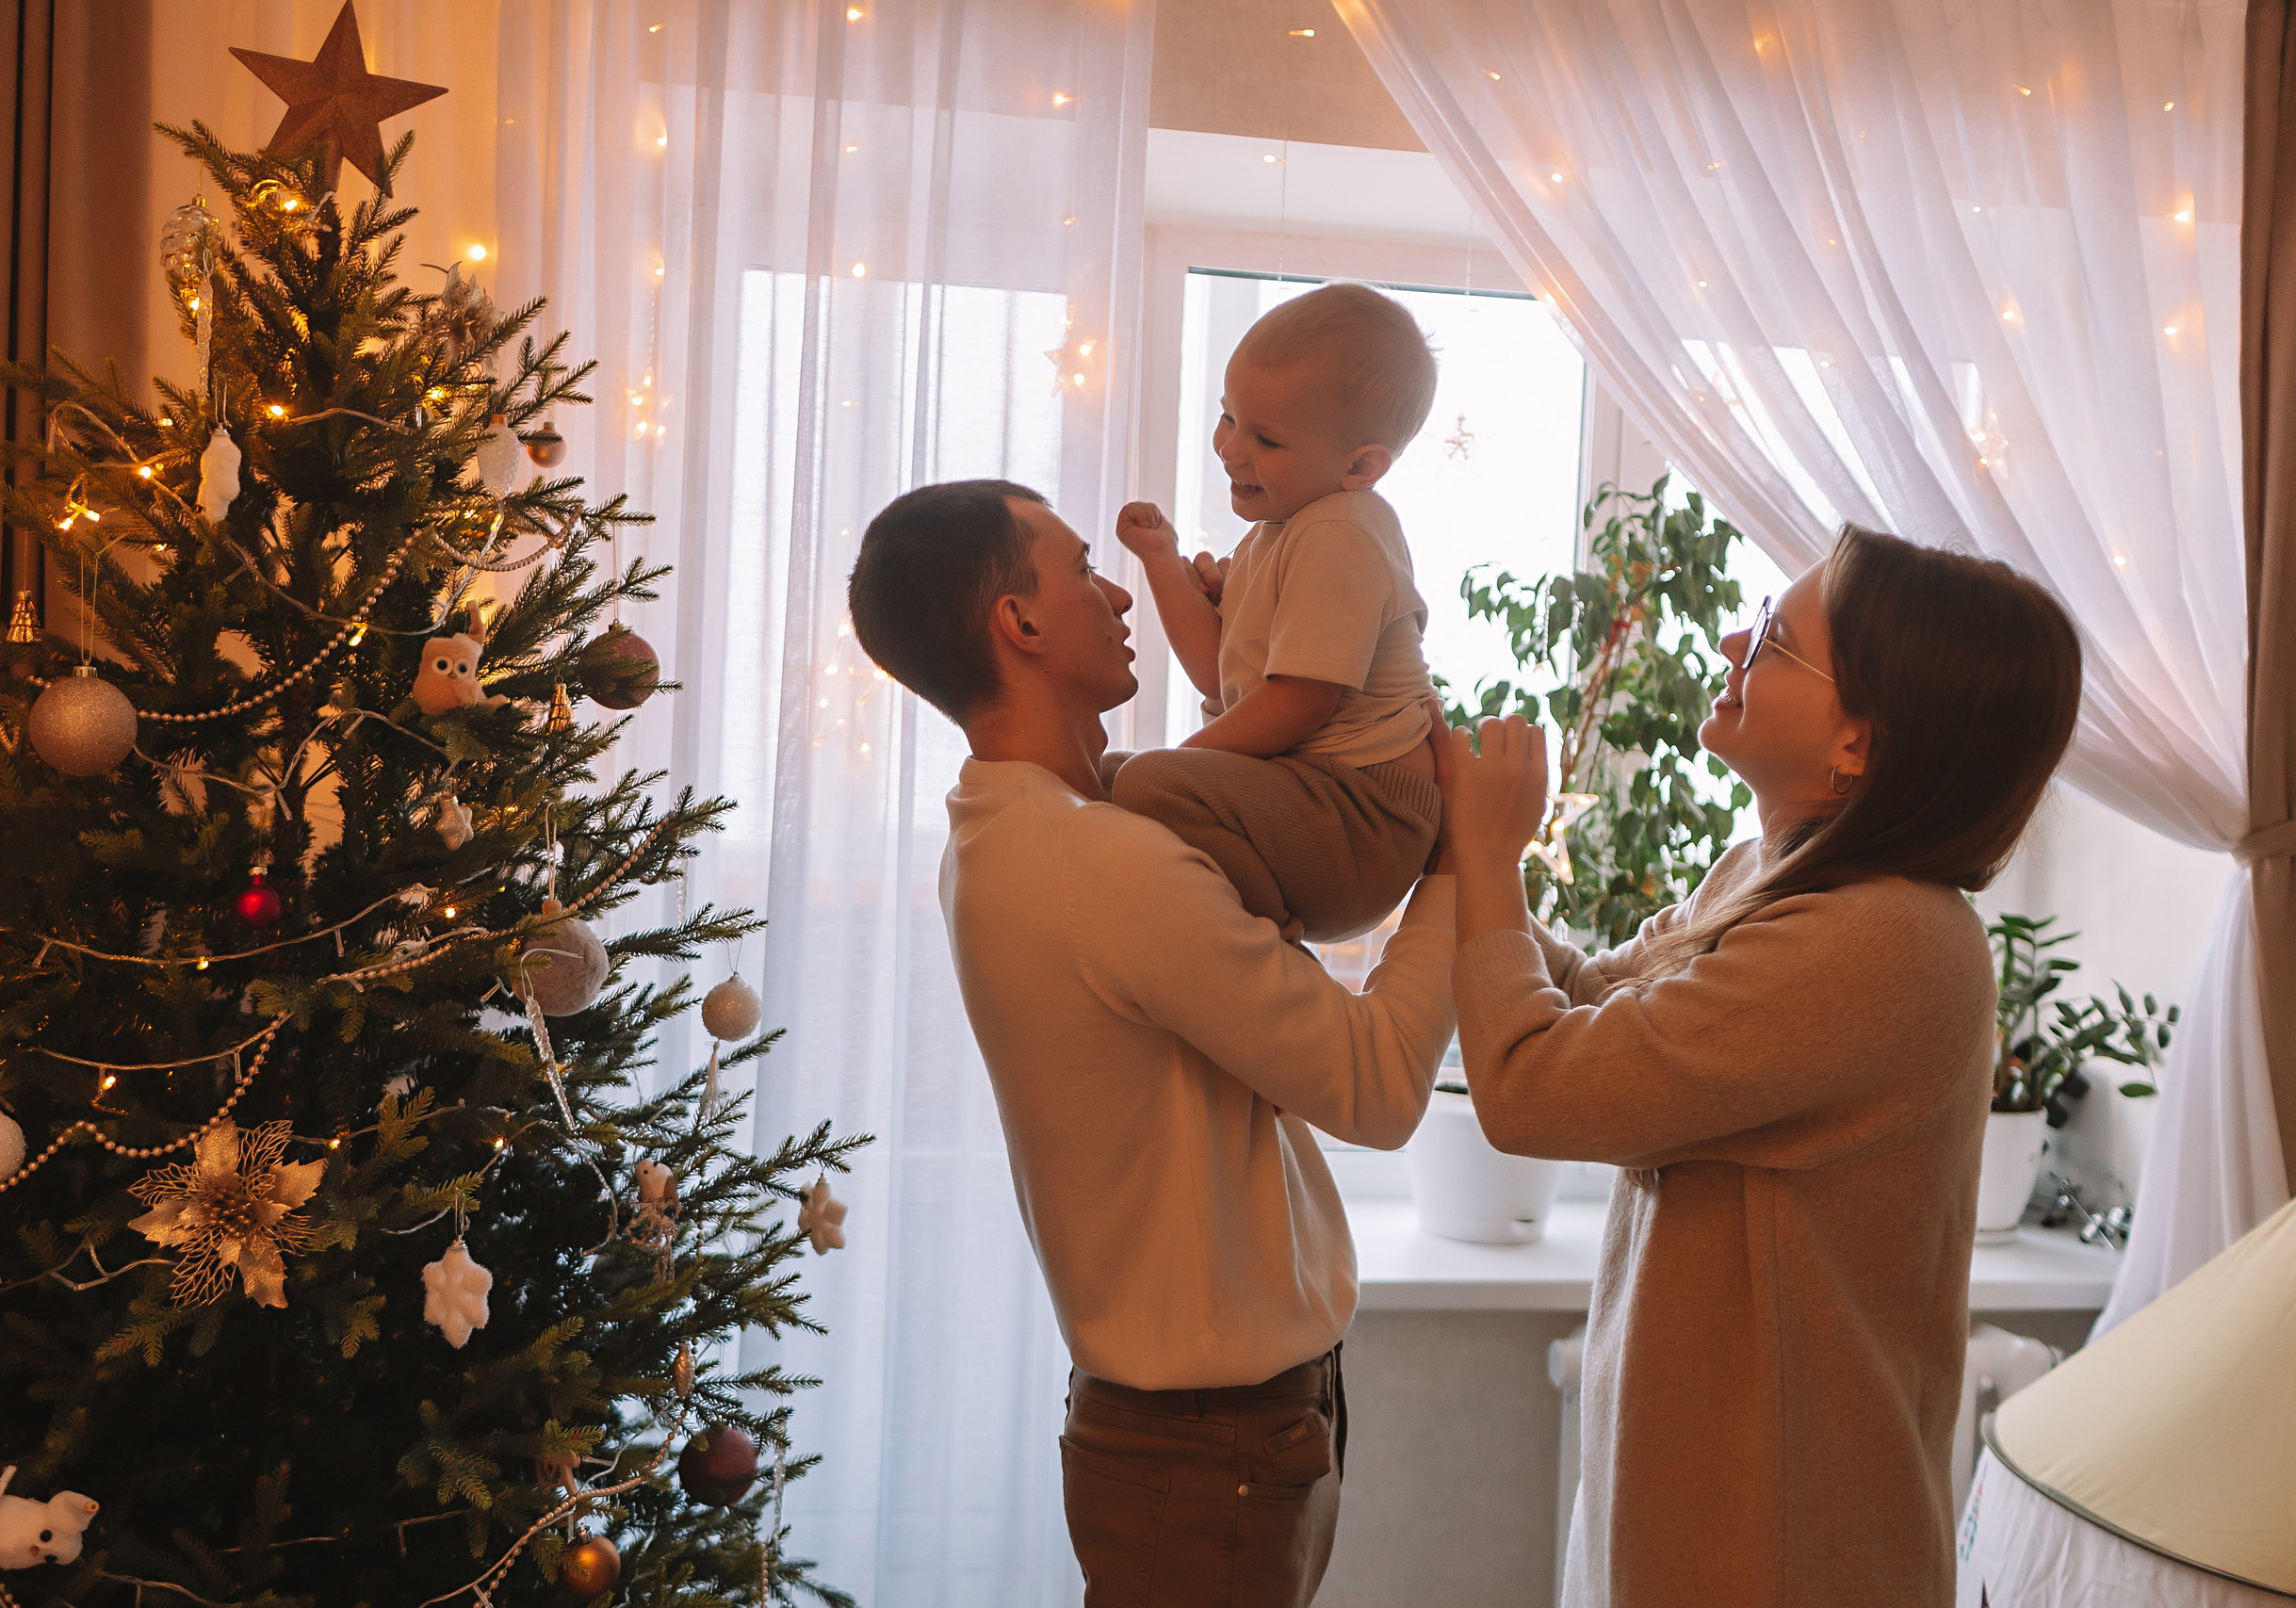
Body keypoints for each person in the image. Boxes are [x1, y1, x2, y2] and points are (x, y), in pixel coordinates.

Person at [1439, 527, 2081, 1607]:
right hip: (1698, 1507)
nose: (1732, 641)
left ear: (1858, 743)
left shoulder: (1883, 938)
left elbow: (1536, 1087)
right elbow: (1589, 999)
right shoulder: (1765, 875)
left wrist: (1486, 857)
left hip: (1775, 1544)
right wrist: (1455, 851)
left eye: (1774, 638)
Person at [846, 478, 1457, 1605]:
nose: (1120, 596)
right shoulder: (1098, 864)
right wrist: (1470, 862)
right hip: (1212, 1445)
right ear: (1019, 624)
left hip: (1216, 1433)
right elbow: (1375, 1089)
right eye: (1084, 570)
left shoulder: (1022, 833)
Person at [1109, 283, 1441, 945]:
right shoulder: (1280, 532)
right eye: (1229, 417)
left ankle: (1264, 944)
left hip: (1365, 818)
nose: (1230, 449)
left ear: (1361, 465)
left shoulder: (1340, 531)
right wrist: (1163, 561)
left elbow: (1300, 702)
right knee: (1111, 776)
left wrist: (1180, 764)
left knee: (1145, 782)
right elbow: (1220, 676)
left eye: (1265, 438)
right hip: (1311, 794)